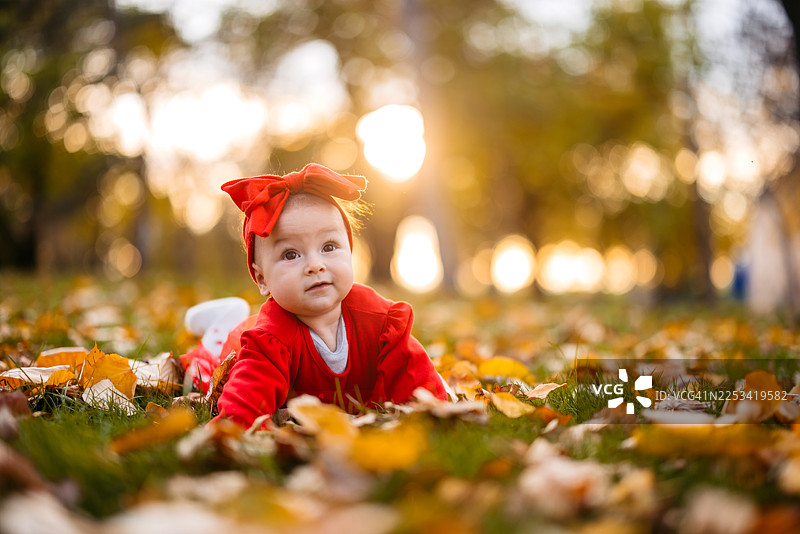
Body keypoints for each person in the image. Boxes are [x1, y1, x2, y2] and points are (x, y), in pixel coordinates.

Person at [195, 163, 448, 429]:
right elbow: (247, 394)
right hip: (236, 344)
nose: (315, 265)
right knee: (205, 369)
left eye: (329, 246)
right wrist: (231, 431)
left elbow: (416, 377)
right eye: (291, 254)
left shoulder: (381, 321)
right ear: (262, 279)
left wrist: (433, 414)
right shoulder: (268, 340)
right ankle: (220, 327)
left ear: (349, 252)